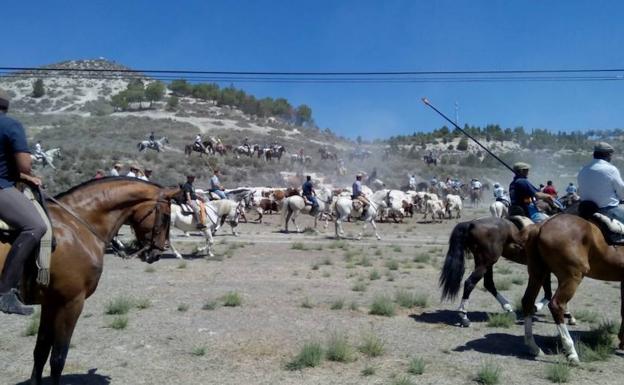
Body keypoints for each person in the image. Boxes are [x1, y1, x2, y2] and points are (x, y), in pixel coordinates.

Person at [0, 88, 47, 315]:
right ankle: (5, 293)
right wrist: (27, 173)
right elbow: (23, 165)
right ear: (6, 106)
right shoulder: (10, 126)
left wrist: (24, 177)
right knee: (36, 226)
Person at [578, 142, 624, 223]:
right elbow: (621, 190)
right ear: (607, 155)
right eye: (611, 155)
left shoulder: (583, 169)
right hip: (607, 210)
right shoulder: (611, 169)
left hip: (584, 210)